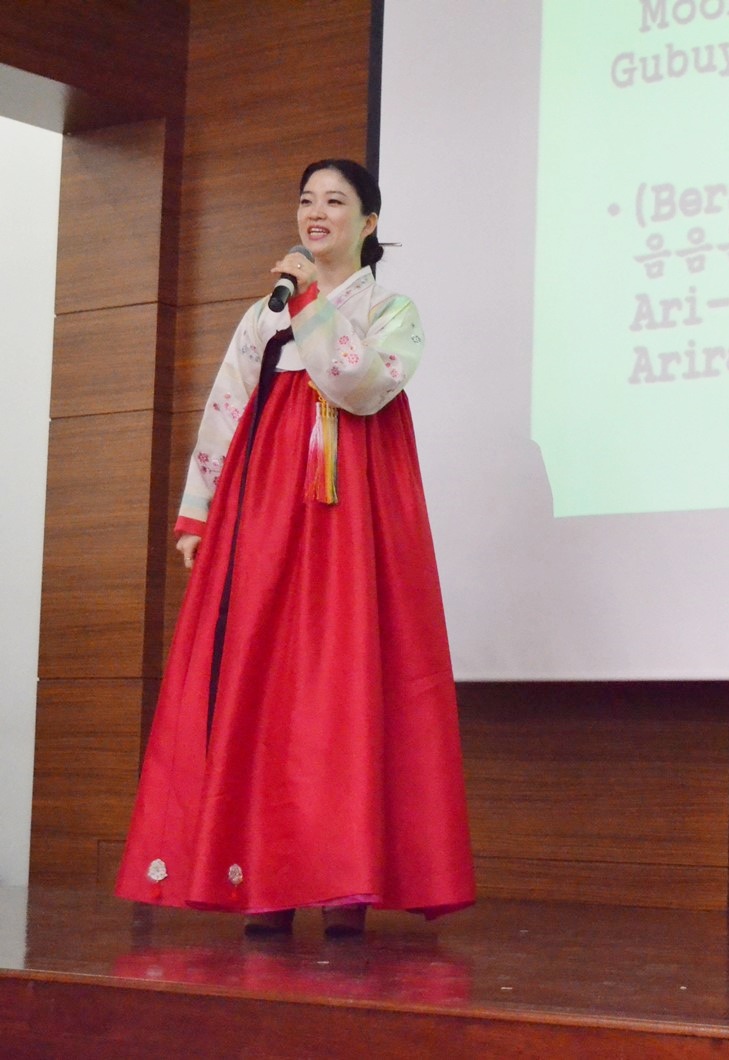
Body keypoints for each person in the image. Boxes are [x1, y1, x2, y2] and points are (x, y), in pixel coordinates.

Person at [115, 159, 475, 936]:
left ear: (369, 223)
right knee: (262, 682)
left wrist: (311, 305)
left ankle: (346, 882)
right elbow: (225, 408)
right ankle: (262, 880)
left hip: (355, 528)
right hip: (266, 514)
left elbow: (362, 387)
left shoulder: (391, 309)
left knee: (346, 685)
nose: (316, 214)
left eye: (335, 202)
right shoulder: (263, 315)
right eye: (306, 200)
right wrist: (198, 514)